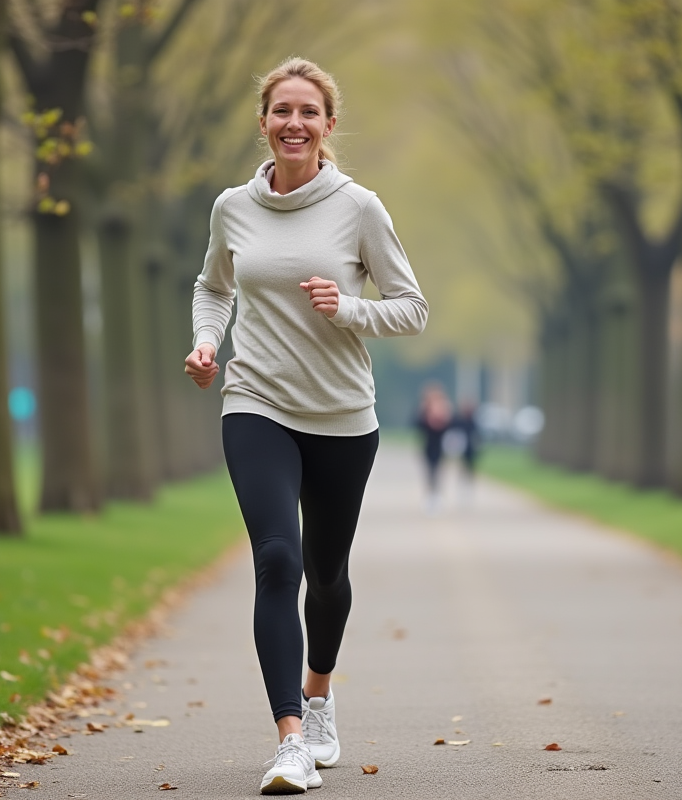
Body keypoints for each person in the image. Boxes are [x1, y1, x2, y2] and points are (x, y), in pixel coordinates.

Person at [184, 56, 428, 795]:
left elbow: (411, 308)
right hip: (255, 401)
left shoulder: (359, 208)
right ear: (263, 122)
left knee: (325, 575)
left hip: (343, 418)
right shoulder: (233, 206)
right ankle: (289, 738)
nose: (294, 123)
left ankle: (319, 697)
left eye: (308, 112)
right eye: (281, 110)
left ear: (328, 126)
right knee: (277, 561)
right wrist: (205, 342)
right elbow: (212, 285)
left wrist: (348, 308)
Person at [415, 383, 452, 513]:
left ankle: (437, 496)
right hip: (428, 446)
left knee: (438, 471)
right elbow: (418, 425)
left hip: (441, 447)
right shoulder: (425, 411)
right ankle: (430, 496)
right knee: (429, 472)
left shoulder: (444, 410)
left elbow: (450, 426)